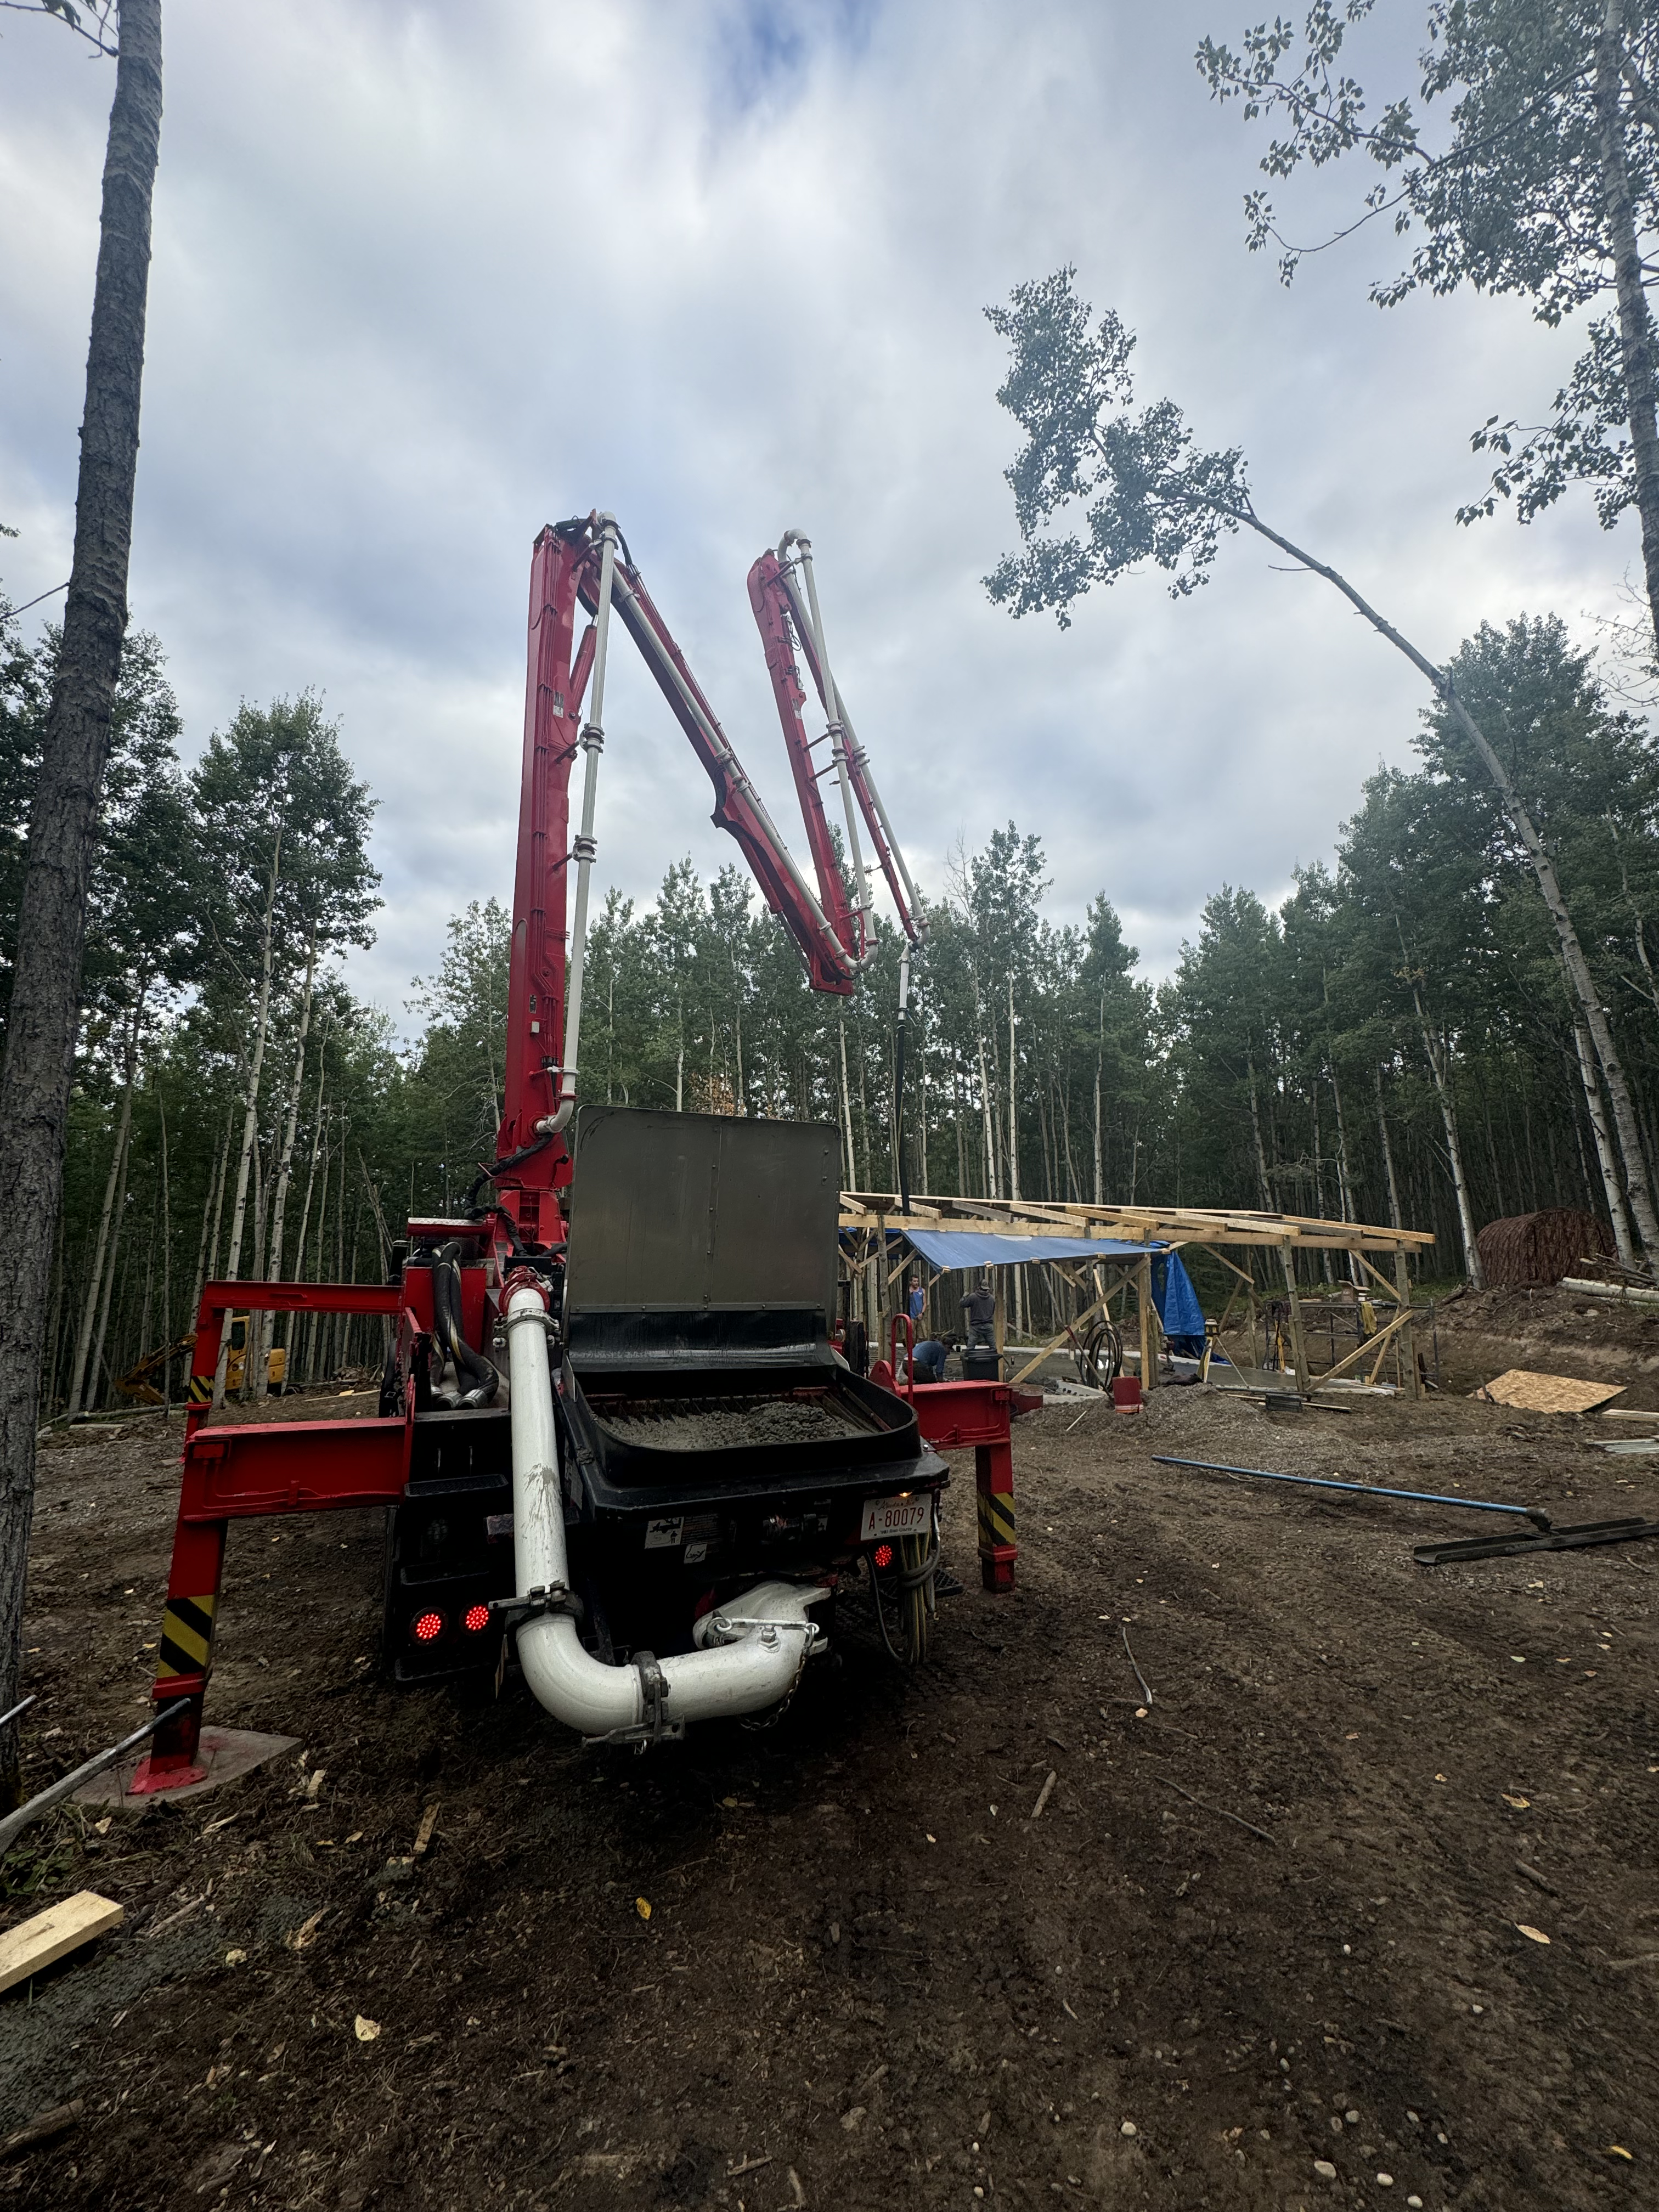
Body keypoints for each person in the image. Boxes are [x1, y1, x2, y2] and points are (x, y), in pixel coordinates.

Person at [961, 1274, 997, 1353]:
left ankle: (970, 1364)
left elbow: (963, 1305)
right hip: (988, 1325)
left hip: (976, 1326)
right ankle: (993, 1362)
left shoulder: (973, 1297)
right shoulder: (992, 1298)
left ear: (979, 1287)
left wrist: (964, 1297)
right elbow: (992, 1311)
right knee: (993, 1348)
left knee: (970, 1348)